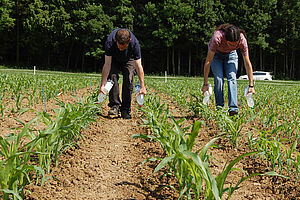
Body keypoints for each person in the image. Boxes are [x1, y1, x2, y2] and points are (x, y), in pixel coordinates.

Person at [201, 24, 255, 116]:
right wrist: (205, 84)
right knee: (218, 79)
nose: (232, 46)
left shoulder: (242, 40)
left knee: (232, 78)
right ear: (225, 39)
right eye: (230, 44)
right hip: (216, 55)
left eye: (235, 45)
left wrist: (251, 85)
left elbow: (247, 62)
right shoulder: (217, 37)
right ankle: (220, 108)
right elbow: (208, 62)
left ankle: (233, 108)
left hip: (231, 55)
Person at [99, 28, 147, 119]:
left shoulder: (135, 44)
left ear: (129, 41)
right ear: (116, 41)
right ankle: (115, 106)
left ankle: (125, 109)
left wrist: (142, 86)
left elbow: (139, 65)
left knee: (129, 78)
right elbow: (107, 64)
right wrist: (102, 85)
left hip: (129, 59)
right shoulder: (110, 42)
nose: (121, 49)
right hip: (114, 59)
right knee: (112, 76)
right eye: (119, 46)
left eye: (124, 47)